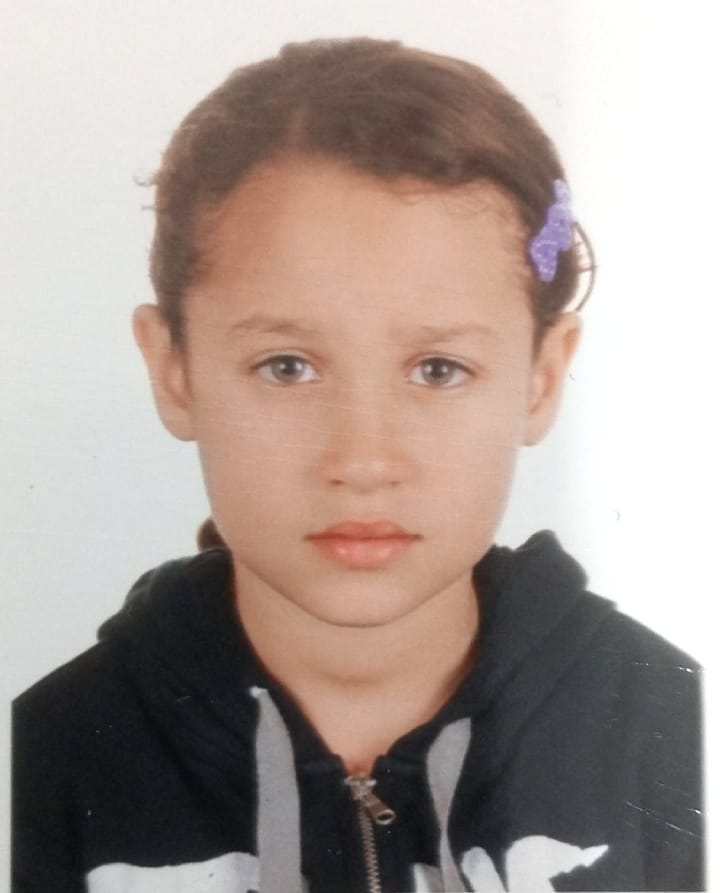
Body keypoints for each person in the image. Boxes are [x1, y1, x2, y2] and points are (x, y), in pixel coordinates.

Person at [12, 37, 704, 893]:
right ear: (173, 370)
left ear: (542, 378)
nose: (364, 460)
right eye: (287, 366)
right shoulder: (42, 762)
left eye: (438, 369)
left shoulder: (679, 733)